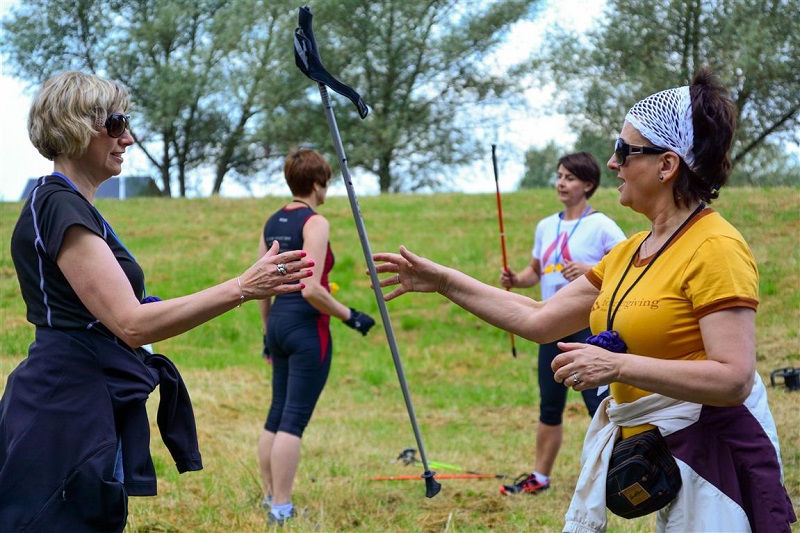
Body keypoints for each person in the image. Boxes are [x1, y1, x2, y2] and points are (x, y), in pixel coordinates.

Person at [372, 69, 795, 532]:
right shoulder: (628, 251)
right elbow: (539, 319)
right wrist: (445, 282)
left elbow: (732, 379)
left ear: (666, 165)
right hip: (668, 455)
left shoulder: (715, 247)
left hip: (718, 462)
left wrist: (617, 368)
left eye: (624, 150)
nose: (612, 164)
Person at [0, 71, 314, 532]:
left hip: (78, 404)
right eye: (115, 124)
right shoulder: (60, 206)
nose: (128, 137)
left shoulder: (65, 205)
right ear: (73, 126)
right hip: (65, 417)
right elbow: (131, 323)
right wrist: (243, 286)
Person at [256, 147, 375, 525]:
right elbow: (310, 288)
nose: (328, 189)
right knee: (293, 420)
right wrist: (350, 315)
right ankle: (282, 509)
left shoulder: (271, 222)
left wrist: (266, 332)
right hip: (307, 327)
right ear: (316, 183)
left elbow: (259, 284)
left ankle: (269, 498)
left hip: (277, 321)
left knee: (276, 414)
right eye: (326, 182)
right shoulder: (315, 222)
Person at [498, 152, 626, 496]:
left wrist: (587, 269)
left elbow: (626, 271)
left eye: (569, 177)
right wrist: (515, 279)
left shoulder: (603, 225)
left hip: (588, 327)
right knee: (549, 404)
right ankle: (540, 477)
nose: (561, 183)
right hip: (550, 324)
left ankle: (618, 471)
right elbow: (534, 273)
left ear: (588, 184)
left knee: (596, 406)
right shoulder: (545, 225)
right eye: (559, 176)